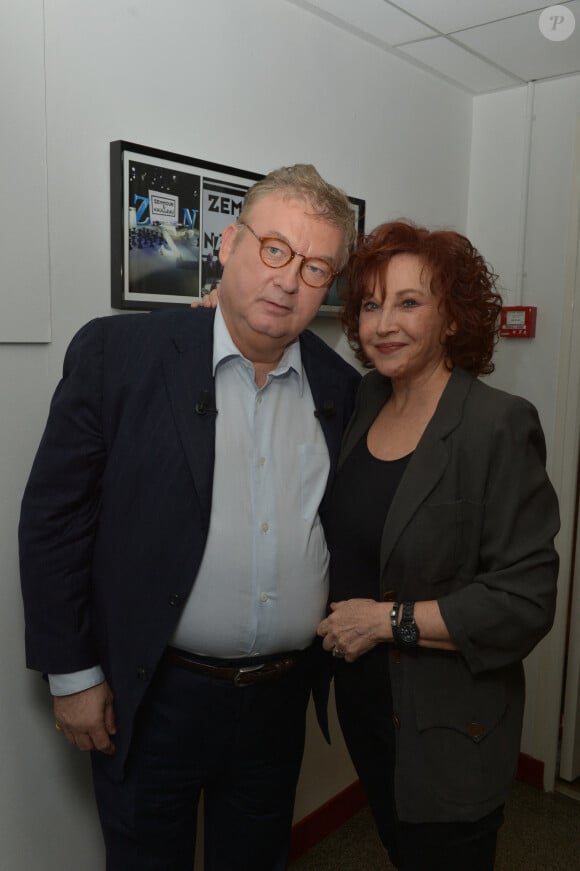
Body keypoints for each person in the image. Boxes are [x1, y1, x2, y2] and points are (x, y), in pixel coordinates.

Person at [19, 164, 361, 871]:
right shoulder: (121, 356)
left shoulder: (341, 389)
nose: (289, 279)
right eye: (274, 249)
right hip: (154, 695)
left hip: (278, 701)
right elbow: (55, 519)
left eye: (316, 265)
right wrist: (72, 674)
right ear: (229, 243)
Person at [317, 220, 559, 871]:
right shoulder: (366, 398)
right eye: (370, 304)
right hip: (370, 709)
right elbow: (289, 356)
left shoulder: (497, 424)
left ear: (451, 317)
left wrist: (385, 620)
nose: (383, 323)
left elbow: (524, 598)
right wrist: (211, 315)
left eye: (409, 302)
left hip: (452, 728)